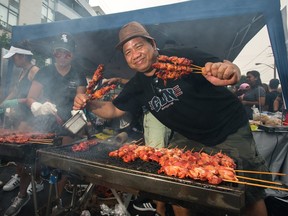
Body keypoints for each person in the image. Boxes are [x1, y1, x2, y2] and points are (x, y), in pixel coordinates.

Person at [74, 21, 270, 216]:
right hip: (188, 136)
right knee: (177, 190)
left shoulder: (183, 56)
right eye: (128, 52)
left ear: (152, 44)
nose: (135, 54)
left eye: (139, 46)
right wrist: (87, 102)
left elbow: (226, 67)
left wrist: (231, 72)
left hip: (228, 127)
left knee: (247, 194)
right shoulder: (138, 85)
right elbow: (112, 110)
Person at [3, 33, 87, 216]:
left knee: (63, 163)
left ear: (72, 54)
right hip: (43, 119)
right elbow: (31, 97)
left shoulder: (78, 73)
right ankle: (22, 194)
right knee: (27, 160)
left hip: (68, 122)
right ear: (54, 53)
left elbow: (80, 98)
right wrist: (37, 105)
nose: (62, 56)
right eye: (58, 52)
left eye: (67, 53)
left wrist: (79, 111)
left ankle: (57, 201)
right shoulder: (45, 72)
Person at [0, 42, 44, 202]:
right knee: (20, 151)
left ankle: (37, 181)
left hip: (32, 117)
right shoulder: (22, 72)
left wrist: (12, 103)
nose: (13, 60)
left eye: (15, 57)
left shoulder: (35, 71)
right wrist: (3, 103)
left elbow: (36, 97)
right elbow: (15, 90)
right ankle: (20, 175)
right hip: (22, 115)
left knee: (28, 152)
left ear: (23, 56)